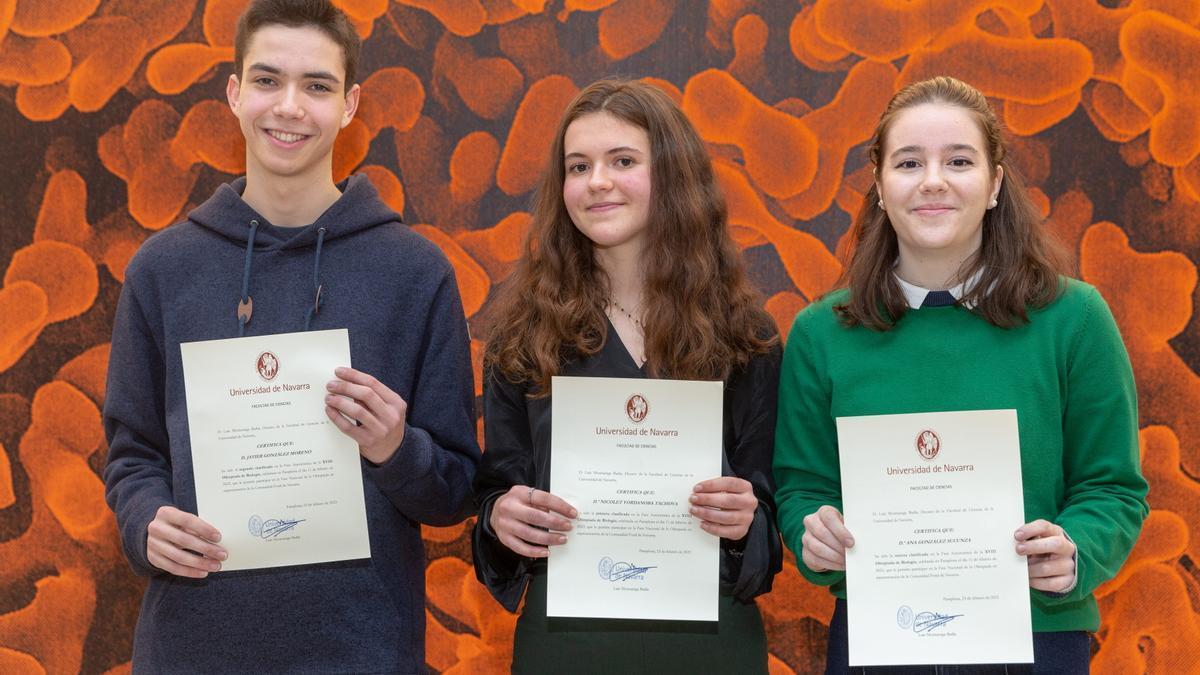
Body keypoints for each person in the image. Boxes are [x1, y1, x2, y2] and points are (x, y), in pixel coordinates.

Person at [102, 0, 480, 671]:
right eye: (268, 80)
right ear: (234, 92)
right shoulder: (161, 269)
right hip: (192, 648)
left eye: (317, 86)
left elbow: (454, 491)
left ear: (351, 104)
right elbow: (133, 453)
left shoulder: (416, 273)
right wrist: (145, 521)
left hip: (364, 652)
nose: (290, 108)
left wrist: (397, 447)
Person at [773, 75, 1149, 674]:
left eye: (959, 161)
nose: (933, 181)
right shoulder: (822, 333)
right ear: (878, 183)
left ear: (995, 183)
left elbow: (1114, 489)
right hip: (878, 640)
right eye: (908, 162)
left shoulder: (1074, 319)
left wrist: (1078, 550)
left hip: (1038, 640)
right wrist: (812, 534)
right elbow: (801, 488)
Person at [471, 79, 783, 673]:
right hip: (565, 643)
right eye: (578, 165)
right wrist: (500, 517)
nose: (597, 182)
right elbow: (495, 496)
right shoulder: (522, 337)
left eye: (623, 161)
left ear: (672, 174)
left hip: (712, 643)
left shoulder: (745, 336)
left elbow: (767, 531)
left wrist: (747, 520)